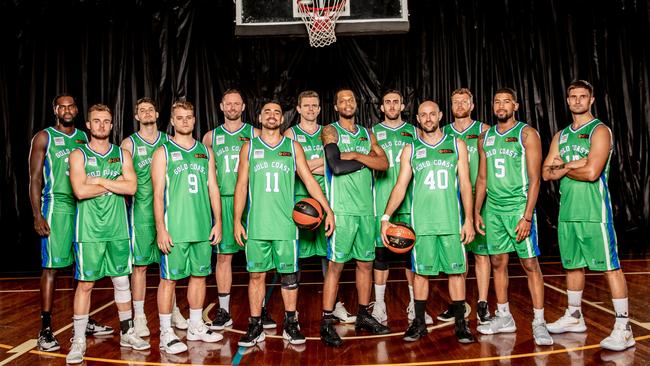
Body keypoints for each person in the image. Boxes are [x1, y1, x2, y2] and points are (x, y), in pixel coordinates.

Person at [233, 101, 335, 347]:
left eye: (276, 112)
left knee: (289, 277)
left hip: (286, 226)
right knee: (256, 275)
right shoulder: (249, 147)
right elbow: (241, 186)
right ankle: (255, 324)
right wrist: (237, 220)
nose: (271, 115)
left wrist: (328, 210)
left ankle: (291, 323)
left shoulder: (292, 146)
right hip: (257, 225)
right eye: (267, 111)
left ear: (282, 119)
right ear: (259, 117)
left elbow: (310, 181)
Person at [542, 80, 634, 351]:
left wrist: (563, 165)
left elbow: (593, 172)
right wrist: (575, 163)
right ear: (568, 100)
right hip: (568, 211)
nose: (578, 101)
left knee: (609, 266)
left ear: (591, 100)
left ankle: (623, 326)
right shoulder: (561, 135)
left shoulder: (600, 130)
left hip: (595, 212)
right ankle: (573, 316)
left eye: (583, 96)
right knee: (572, 265)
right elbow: (546, 173)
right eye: (573, 97)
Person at [380, 100, 476, 343]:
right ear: (418, 120)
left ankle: (461, 325)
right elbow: (400, 186)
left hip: (451, 222)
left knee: (456, 273)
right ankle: (419, 323)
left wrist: (469, 219)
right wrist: (385, 217)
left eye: (433, 113)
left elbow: (465, 184)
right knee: (421, 274)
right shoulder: (410, 149)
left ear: (440, 115)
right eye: (423, 115)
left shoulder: (457, 144)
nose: (429, 118)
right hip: (421, 224)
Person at [29, 94, 114, 352]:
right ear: (55, 109)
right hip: (57, 206)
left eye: (71, 106)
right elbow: (33, 178)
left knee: (84, 267)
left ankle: (84, 319)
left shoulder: (83, 138)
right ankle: (45, 329)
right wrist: (37, 214)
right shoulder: (44, 137)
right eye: (61, 106)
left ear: (77, 110)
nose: (66, 110)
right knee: (52, 268)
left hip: (84, 204)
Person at [66, 104, 150, 364]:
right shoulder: (78, 154)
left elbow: (132, 187)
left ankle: (127, 333)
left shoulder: (122, 154)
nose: (102, 125)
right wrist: (115, 185)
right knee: (86, 284)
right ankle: (79, 341)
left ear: (112, 125)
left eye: (106, 121)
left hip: (118, 230)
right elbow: (79, 191)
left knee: (121, 282)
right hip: (89, 231)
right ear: (88, 125)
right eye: (96, 121)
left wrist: (99, 181)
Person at [474, 88, 553, 346]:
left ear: (515, 105)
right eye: (497, 101)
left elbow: (535, 179)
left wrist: (528, 216)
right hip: (494, 210)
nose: (501, 105)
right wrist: (476, 210)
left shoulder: (527, 134)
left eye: (506, 101)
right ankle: (504, 316)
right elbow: (483, 178)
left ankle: (539, 321)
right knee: (497, 262)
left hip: (518, 208)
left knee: (530, 265)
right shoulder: (484, 137)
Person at [319, 88, 390, 347]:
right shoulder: (330, 130)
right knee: (336, 267)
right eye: (342, 100)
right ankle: (326, 322)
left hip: (366, 211)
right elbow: (336, 166)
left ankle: (363, 316)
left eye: (351, 99)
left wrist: (358, 156)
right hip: (342, 211)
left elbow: (384, 164)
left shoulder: (366, 133)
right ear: (336, 106)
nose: (348, 103)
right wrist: (369, 159)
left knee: (365, 264)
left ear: (356, 104)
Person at [152, 101, 223, 355]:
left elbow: (213, 188)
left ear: (194, 120)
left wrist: (219, 222)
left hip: (202, 227)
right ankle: (165, 333)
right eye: (179, 118)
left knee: (200, 276)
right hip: (175, 229)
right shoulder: (163, 152)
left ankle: (195, 326)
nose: (184, 121)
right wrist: (161, 228)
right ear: (172, 121)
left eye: (188, 117)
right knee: (168, 280)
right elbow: (157, 194)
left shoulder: (206, 151)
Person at [201, 89, 273, 330]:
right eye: (228, 104)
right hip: (222, 201)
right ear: (221, 107)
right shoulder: (210, 137)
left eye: (236, 104)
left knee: (260, 257)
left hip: (252, 201)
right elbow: (205, 176)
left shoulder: (254, 133)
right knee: (223, 257)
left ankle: (260, 310)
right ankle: (223, 310)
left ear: (243, 107)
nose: (232, 107)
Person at [283, 90, 356, 324]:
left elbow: (337, 162)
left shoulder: (328, 132)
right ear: (298, 109)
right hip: (301, 202)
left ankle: (334, 305)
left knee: (331, 257)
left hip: (327, 201)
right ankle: (292, 312)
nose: (311, 109)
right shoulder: (290, 134)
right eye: (306, 106)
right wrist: (316, 164)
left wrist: (308, 164)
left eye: (315, 105)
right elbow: (294, 169)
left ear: (320, 108)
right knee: (295, 258)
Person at [120, 98, 187, 337]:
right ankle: (139, 317)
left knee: (170, 267)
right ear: (137, 116)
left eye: (150, 109)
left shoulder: (169, 141)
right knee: (139, 266)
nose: (147, 113)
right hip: (140, 213)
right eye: (142, 110)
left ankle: (174, 309)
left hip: (168, 213)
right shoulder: (129, 144)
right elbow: (122, 180)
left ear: (158, 114)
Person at [440, 88, 491, 324]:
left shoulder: (483, 130)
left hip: (479, 197)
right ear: (450, 107)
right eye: (455, 102)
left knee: (480, 253)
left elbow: (487, 169)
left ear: (472, 105)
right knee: (458, 252)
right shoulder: (443, 132)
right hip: (452, 200)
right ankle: (459, 304)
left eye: (464, 102)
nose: (460, 105)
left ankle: (482, 303)